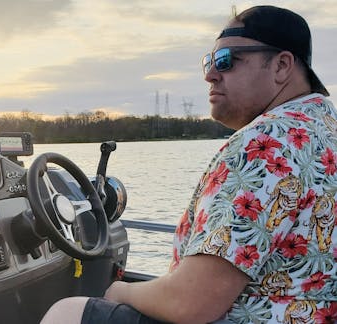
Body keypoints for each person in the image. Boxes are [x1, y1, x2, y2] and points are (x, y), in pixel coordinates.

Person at [41, 5, 337, 324]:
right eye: (208, 62)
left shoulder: (268, 142)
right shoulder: (324, 128)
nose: (210, 74)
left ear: (281, 65)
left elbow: (191, 301)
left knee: (69, 312)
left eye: (226, 61)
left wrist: (117, 291)